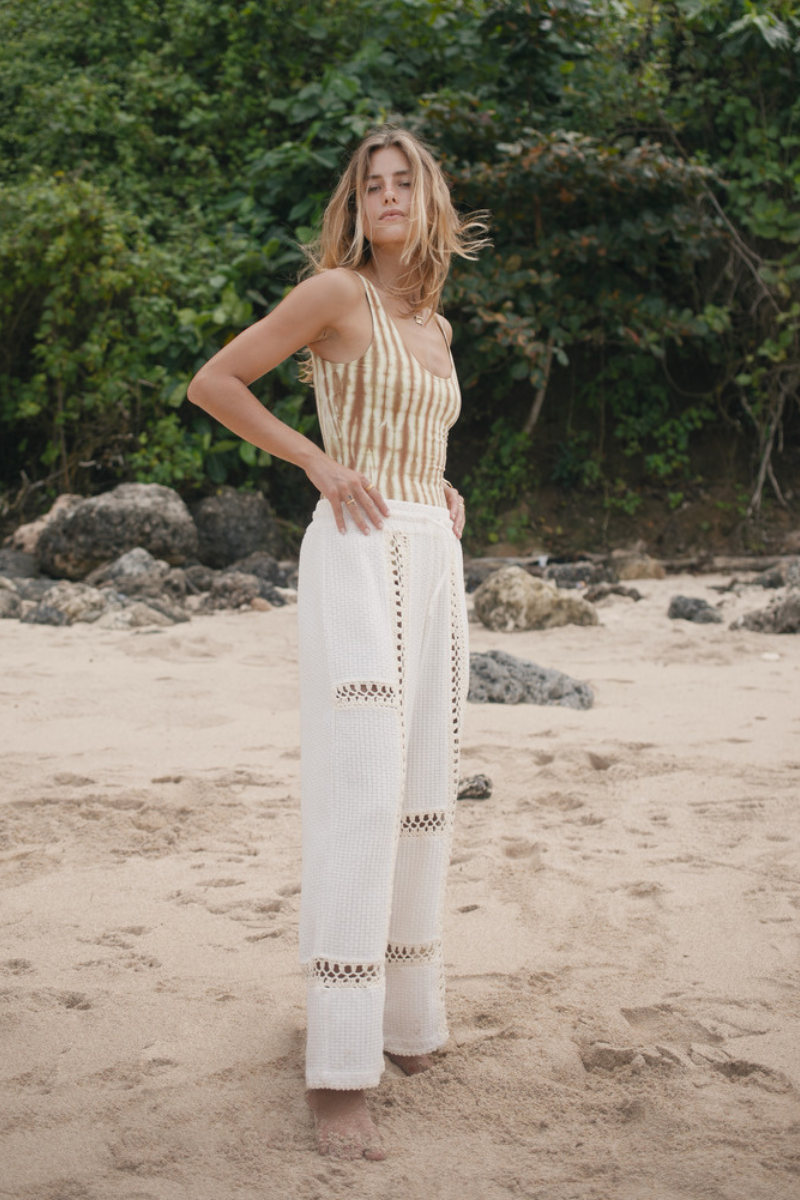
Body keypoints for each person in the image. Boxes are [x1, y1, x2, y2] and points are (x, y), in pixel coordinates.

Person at [187, 126, 488, 1161]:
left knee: (423, 792)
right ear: (355, 206)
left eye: (404, 182)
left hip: (431, 556)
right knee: (361, 794)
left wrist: (437, 486)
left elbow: (409, 437)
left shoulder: (436, 326)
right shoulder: (334, 293)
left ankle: (401, 1021)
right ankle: (337, 1072)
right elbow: (217, 382)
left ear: (430, 199)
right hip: (357, 556)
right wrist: (315, 460)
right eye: (372, 185)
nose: (388, 196)